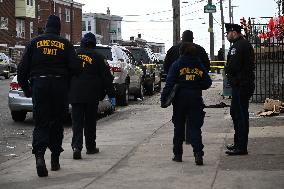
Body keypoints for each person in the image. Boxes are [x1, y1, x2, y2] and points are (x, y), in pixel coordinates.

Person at [17, 15, 81, 177]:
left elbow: (21, 70)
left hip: (40, 85)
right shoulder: (65, 44)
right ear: (59, 29)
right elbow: (76, 68)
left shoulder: (34, 43)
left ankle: (39, 156)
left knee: (41, 122)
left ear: (46, 27)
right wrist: (67, 81)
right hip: (59, 86)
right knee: (56, 123)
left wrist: (27, 89)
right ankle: (54, 159)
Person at [161, 42, 212, 165]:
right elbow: (207, 82)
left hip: (180, 99)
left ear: (181, 52)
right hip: (195, 98)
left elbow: (169, 83)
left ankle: (178, 154)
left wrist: (164, 99)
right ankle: (198, 154)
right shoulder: (199, 65)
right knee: (195, 127)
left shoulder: (177, 64)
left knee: (178, 126)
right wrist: (196, 85)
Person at [69, 32, 116, 160]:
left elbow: (67, 74)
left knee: (77, 122)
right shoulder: (98, 57)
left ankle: (77, 147)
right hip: (92, 95)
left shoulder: (74, 55)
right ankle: (90, 147)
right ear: (93, 43)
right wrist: (112, 95)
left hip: (76, 94)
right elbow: (107, 78)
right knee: (90, 122)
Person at [224, 23, 255, 155]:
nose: (227, 36)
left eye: (228, 33)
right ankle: (238, 143)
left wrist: (228, 71)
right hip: (241, 84)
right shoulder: (241, 44)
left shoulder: (238, 46)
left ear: (234, 32)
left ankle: (241, 146)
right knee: (236, 113)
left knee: (240, 115)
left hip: (241, 85)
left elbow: (233, 67)